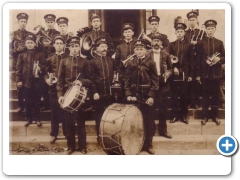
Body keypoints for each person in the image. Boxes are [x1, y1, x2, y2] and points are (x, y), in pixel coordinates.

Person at [57, 36, 92, 155]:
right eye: (72, 46)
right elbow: (60, 81)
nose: (74, 48)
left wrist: (81, 82)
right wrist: (60, 95)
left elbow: (90, 80)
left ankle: (82, 146)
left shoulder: (85, 61)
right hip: (67, 96)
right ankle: (70, 146)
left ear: (79, 47)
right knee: (69, 123)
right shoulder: (64, 61)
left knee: (81, 122)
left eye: (76, 46)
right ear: (69, 48)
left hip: (80, 96)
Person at [124, 39, 158, 154]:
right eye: (137, 49)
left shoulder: (151, 63)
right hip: (134, 97)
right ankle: (136, 144)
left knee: (148, 121)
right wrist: (128, 94)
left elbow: (155, 81)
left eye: (141, 49)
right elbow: (127, 81)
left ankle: (148, 144)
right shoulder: (130, 63)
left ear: (145, 50)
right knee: (135, 121)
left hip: (147, 97)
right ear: (134, 50)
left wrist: (151, 96)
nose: (139, 52)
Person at [90, 37, 121, 144]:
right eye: (101, 46)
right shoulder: (93, 62)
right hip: (99, 94)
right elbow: (91, 79)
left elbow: (118, 72)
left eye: (105, 46)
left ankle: (110, 136)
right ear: (97, 48)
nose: (104, 48)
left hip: (111, 94)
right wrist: (94, 92)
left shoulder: (112, 60)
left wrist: (117, 76)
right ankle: (100, 136)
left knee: (111, 115)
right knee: (99, 116)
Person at [196, 20, 225, 125]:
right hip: (205, 74)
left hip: (216, 74)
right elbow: (198, 60)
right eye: (208, 29)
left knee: (216, 96)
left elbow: (225, 57)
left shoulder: (219, 42)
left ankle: (215, 116)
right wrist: (198, 75)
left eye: (212, 28)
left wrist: (219, 59)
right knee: (205, 96)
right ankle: (204, 117)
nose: (210, 31)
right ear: (206, 30)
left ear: (215, 29)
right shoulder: (201, 42)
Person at [16, 33, 46, 127]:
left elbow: (44, 65)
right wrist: (19, 80)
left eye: (31, 42)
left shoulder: (40, 54)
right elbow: (18, 69)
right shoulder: (21, 55)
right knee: (28, 100)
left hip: (37, 81)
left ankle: (38, 119)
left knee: (37, 100)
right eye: (28, 42)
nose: (29, 44)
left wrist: (39, 68)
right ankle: (29, 119)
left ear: (35, 44)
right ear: (25, 44)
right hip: (26, 81)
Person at [167, 23, 193, 124]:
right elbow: (168, 58)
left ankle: (184, 116)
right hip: (174, 73)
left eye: (181, 32)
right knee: (174, 95)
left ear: (184, 32)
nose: (179, 33)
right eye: (177, 32)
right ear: (175, 33)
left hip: (185, 73)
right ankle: (174, 115)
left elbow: (192, 61)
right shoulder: (171, 44)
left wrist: (190, 75)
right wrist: (174, 67)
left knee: (184, 96)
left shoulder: (189, 45)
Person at [148, 33, 172, 139]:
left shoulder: (166, 55)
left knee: (163, 109)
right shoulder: (147, 54)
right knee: (150, 109)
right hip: (151, 85)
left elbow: (171, 68)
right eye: (154, 41)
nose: (156, 43)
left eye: (158, 41)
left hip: (163, 84)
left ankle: (163, 131)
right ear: (151, 42)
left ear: (161, 43)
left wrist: (168, 73)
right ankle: (151, 130)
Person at [45, 35, 67, 143]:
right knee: (54, 112)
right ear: (54, 45)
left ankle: (67, 133)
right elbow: (45, 73)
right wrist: (47, 80)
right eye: (57, 43)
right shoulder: (49, 59)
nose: (59, 45)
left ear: (64, 45)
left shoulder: (68, 57)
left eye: (61, 43)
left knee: (65, 111)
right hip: (53, 89)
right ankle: (54, 134)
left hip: (66, 89)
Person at [10, 12, 31, 113]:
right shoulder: (13, 34)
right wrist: (16, 50)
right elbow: (8, 50)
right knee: (19, 86)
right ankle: (19, 105)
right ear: (18, 22)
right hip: (17, 64)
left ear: (26, 22)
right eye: (21, 21)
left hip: (27, 63)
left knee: (26, 86)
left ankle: (26, 106)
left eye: (24, 21)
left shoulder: (29, 34)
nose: (23, 23)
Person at [185, 11, 206, 109]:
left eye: (193, 20)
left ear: (196, 20)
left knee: (197, 81)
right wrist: (191, 44)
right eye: (190, 20)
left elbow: (204, 45)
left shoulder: (202, 32)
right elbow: (184, 45)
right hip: (188, 59)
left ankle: (196, 102)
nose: (191, 22)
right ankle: (189, 102)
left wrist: (196, 43)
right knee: (189, 81)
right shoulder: (185, 32)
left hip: (198, 58)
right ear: (188, 21)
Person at [39, 14, 60, 111]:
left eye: (51, 22)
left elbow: (59, 45)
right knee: (44, 82)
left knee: (55, 81)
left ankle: (55, 103)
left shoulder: (58, 33)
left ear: (54, 22)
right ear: (46, 23)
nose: (50, 24)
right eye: (48, 22)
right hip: (44, 60)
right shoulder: (42, 33)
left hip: (54, 60)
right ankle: (46, 104)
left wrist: (50, 45)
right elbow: (39, 47)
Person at [115, 23, 136, 100]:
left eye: (129, 31)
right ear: (123, 34)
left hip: (135, 72)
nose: (128, 33)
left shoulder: (137, 45)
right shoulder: (119, 47)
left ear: (132, 33)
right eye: (126, 32)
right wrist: (120, 73)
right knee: (124, 95)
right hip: (123, 73)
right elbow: (116, 62)